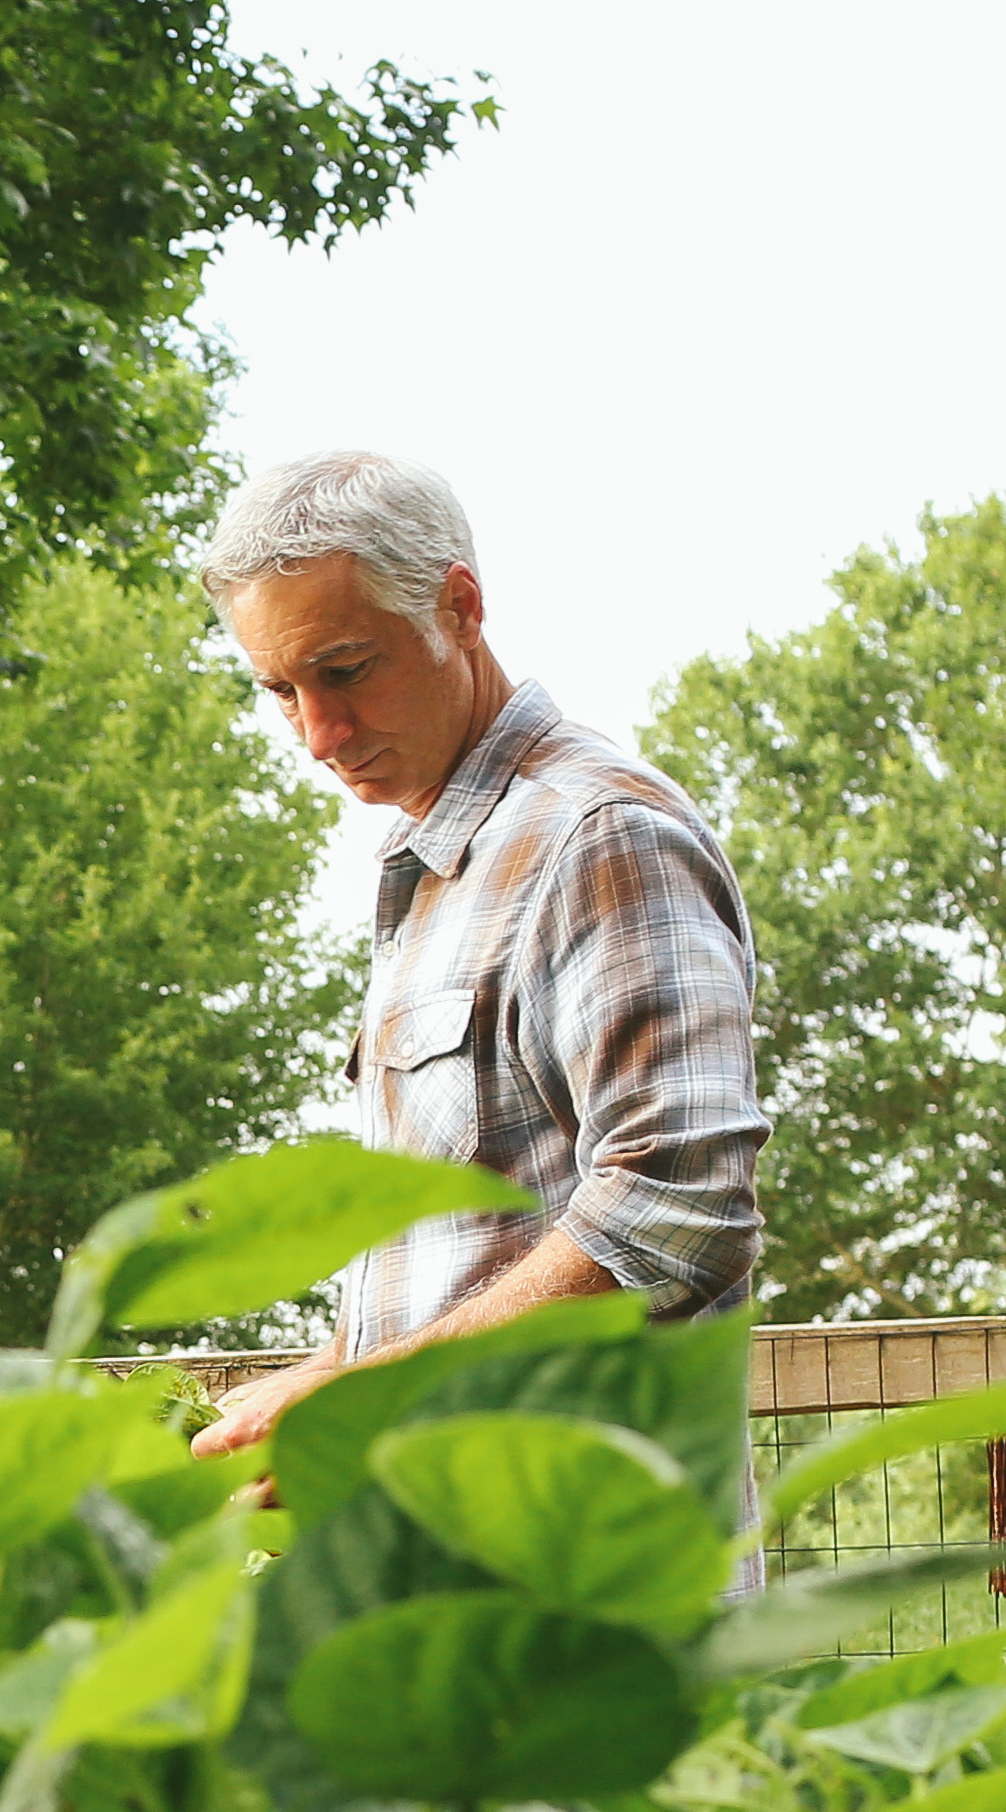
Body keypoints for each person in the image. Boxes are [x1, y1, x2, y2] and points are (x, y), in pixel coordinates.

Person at [185, 451, 765, 1461]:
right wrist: (337, 1368)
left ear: (457, 606)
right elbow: (479, 1249)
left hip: (581, 1575)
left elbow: (678, 1206)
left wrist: (385, 1389)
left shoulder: (596, 835)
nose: (317, 733)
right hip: (444, 1565)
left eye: (344, 670)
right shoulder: (444, 865)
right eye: (279, 689)